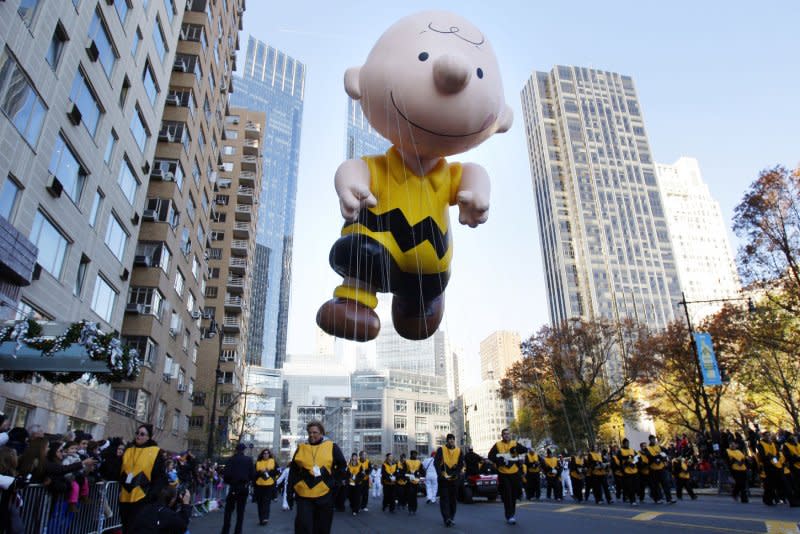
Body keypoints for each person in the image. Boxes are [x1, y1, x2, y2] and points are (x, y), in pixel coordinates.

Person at [287, 420, 346, 534]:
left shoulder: (332, 446)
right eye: (309, 432)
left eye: (315, 432)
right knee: (303, 527)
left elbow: (342, 467)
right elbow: (293, 471)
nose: (311, 435)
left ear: (321, 433)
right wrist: (290, 492)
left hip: (324, 495)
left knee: (322, 528)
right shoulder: (301, 448)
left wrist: (334, 483)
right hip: (304, 495)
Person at [120, 424, 165, 534]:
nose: (138, 436)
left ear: (148, 437)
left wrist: (150, 496)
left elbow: (159, 477)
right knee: (126, 528)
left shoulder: (155, 452)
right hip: (125, 498)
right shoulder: (128, 451)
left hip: (142, 498)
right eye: (137, 433)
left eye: (142, 434)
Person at [488, 428, 526, 525]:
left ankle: (512, 512)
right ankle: (509, 516)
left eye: (508, 434)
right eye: (504, 434)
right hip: (503, 473)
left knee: (514, 494)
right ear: (502, 435)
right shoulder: (497, 445)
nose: (506, 436)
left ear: (510, 435)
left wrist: (518, 450)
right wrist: (499, 460)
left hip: (514, 472)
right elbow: (490, 456)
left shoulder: (514, 443)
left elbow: (524, 449)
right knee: (507, 495)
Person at [220, 443, 255, 534]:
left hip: (233, 487)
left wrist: (230, 482)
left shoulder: (231, 459)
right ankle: (238, 531)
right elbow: (252, 475)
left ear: (236, 450)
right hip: (243, 487)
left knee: (228, 510)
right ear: (244, 450)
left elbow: (226, 474)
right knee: (241, 511)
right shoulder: (248, 460)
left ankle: (225, 530)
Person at [434, 433, 463, 528]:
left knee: (453, 500)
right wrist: (440, 474)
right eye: (449, 439)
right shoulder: (441, 449)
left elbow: (460, 464)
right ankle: (446, 518)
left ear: (454, 440)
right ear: (447, 441)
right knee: (445, 499)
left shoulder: (459, 451)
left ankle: (451, 517)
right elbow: (436, 463)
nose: (451, 440)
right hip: (444, 480)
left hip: (454, 479)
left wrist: (457, 473)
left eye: (452, 439)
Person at [643, 435, 675, 504]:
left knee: (665, 483)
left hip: (661, 468)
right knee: (655, 485)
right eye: (652, 439)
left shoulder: (659, 447)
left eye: (654, 439)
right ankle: (657, 499)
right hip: (653, 469)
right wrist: (658, 456)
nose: (654, 440)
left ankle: (669, 499)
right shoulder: (647, 448)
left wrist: (665, 457)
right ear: (650, 440)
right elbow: (649, 457)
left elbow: (666, 452)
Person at [254, 448, 278, 526]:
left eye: (267, 453)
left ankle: (265, 518)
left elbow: (277, 471)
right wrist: (261, 473)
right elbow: (254, 474)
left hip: (269, 485)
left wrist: (269, 472)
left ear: (269, 454)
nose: (266, 454)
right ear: (262, 454)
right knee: (260, 503)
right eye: (264, 453)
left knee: (266, 502)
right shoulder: (258, 463)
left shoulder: (273, 462)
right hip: (259, 486)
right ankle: (261, 519)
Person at [617, 439, 639, 506]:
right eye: (626, 443)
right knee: (630, 486)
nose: (627, 444)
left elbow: (637, 457)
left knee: (636, 486)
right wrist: (627, 461)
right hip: (626, 471)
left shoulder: (632, 450)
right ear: (623, 444)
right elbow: (620, 459)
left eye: (628, 443)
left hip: (634, 470)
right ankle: (632, 500)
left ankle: (632, 497)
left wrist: (634, 462)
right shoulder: (620, 451)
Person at [404, 450, 424, 516]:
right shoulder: (406, 461)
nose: (415, 455)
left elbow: (422, 471)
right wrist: (407, 476)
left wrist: (419, 475)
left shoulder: (419, 462)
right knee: (410, 495)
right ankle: (410, 509)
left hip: (416, 481)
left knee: (414, 496)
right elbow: (404, 471)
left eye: (416, 454)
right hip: (409, 481)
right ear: (411, 454)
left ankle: (414, 509)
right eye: (414, 454)